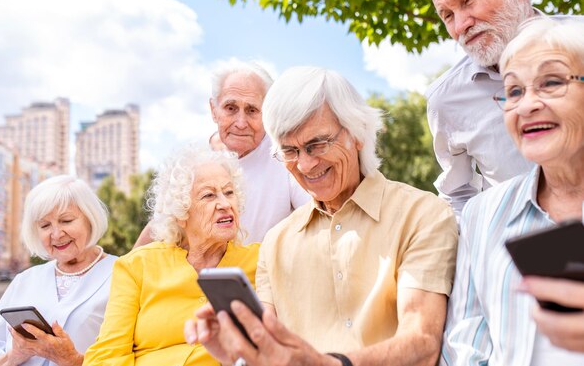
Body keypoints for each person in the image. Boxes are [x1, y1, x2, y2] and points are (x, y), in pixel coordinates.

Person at [185, 66, 458, 366]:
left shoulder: (421, 215)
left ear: (357, 134)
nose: (304, 165)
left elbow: (422, 343)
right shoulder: (276, 243)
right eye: (289, 151)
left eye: (316, 144)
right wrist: (238, 352)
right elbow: (268, 354)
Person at [441, 17, 584, 365]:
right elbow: (466, 344)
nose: (526, 105)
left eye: (551, 82)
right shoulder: (482, 214)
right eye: (515, 90)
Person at [83, 145, 259, 365]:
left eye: (229, 192)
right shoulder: (136, 266)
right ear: (181, 212)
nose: (225, 204)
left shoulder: (261, 262)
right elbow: (107, 355)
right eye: (208, 195)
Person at [135, 60, 309, 245]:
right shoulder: (191, 159)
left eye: (252, 110)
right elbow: (162, 225)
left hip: (263, 271)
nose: (241, 123)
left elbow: (318, 215)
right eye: (231, 108)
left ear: (268, 114)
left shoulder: (287, 155)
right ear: (214, 110)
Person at [427, 0, 540, 216]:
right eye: (447, 16)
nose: (460, 27)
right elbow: (457, 196)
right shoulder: (445, 99)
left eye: (467, 0)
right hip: (533, 253)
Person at [0, 175, 116, 366]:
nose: (56, 234)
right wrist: (13, 356)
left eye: (66, 220)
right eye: (45, 225)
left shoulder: (122, 274)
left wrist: (72, 360)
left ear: (90, 219)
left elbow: (139, 355)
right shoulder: (26, 280)